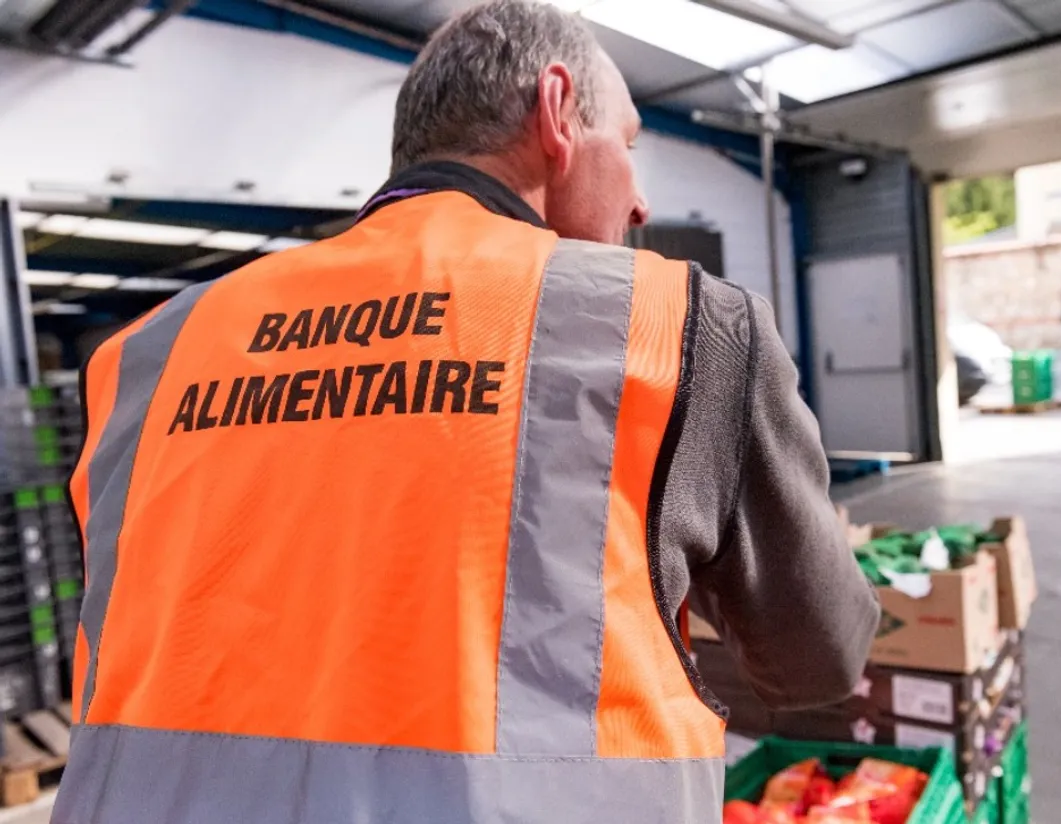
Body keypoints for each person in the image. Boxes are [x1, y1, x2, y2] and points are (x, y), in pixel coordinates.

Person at [54, 1, 879, 822]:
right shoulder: (676, 325)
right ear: (557, 112)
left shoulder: (150, 352)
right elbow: (818, 658)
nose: (639, 204)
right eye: (627, 147)